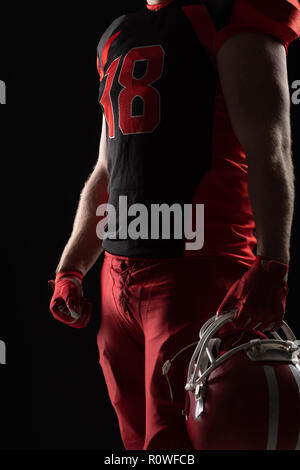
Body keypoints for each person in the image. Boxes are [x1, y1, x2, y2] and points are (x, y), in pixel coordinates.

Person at [49, 0, 300, 450]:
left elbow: (271, 146)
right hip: (116, 281)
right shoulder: (117, 36)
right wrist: (71, 267)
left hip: (197, 272)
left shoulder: (229, 12)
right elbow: (106, 172)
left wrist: (273, 266)